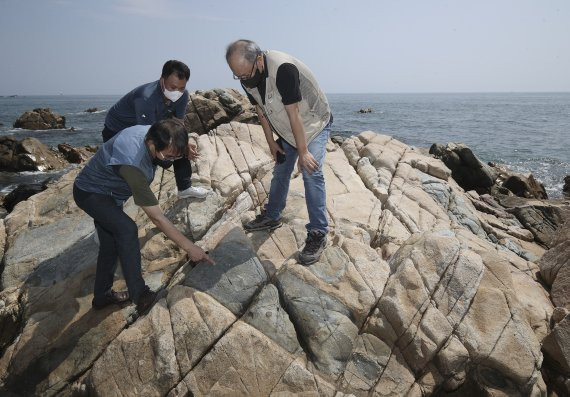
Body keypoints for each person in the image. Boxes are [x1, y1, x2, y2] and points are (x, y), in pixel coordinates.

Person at [74, 119, 213, 314]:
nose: (169, 161)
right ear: (151, 144)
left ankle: (101, 297)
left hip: (112, 194)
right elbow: (157, 217)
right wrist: (190, 248)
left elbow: (174, 131)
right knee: (126, 229)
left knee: (110, 244)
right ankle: (140, 295)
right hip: (91, 193)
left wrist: (185, 143)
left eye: (175, 157)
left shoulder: (158, 132)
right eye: (168, 156)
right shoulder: (133, 164)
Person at [225, 39, 332, 265]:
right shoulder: (247, 75)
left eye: (246, 74)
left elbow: (294, 113)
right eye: (238, 76)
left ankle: (318, 233)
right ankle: (272, 216)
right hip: (285, 127)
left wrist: (303, 152)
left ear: (260, 60)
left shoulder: (283, 69)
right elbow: (260, 109)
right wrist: (271, 142)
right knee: (281, 167)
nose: (244, 80)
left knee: (311, 171)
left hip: (313, 122)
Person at [103, 60, 208, 199]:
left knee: (180, 146)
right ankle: (113, 196)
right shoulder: (146, 97)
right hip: (117, 129)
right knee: (131, 164)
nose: (177, 92)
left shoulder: (183, 95)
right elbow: (148, 135)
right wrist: (165, 156)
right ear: (162, 79)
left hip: (148, 125)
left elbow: (178, 124)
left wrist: (185, 144)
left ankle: (185, 188)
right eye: (172, 87)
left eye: (181, 88)